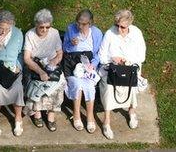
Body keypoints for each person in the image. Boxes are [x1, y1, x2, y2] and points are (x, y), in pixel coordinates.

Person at [98, 9, 146, 139]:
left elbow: (141, 55)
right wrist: (113, 59)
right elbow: (102, 55)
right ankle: (106, 122)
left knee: (131, 83)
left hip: (130, 68)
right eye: (117, 25)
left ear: (130, 24)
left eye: (123, 27)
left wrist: (128, 61)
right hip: (112, 69)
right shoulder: (109, 33)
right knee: (108, 86)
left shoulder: (136, 33)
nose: (119, 29)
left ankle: (131, 111)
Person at [23, 9, 65, 132]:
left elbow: (60, 53)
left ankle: (51, 114)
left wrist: (54, 62)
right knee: (37, 83)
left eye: (48, 27)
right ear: (36, 24)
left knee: (59, 82)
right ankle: (37, 112)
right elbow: (26, 58)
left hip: (51, 63)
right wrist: (40, 71)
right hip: (34, 64)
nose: (45, 30)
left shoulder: (55, 33)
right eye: (42, 27)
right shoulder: (30, 35)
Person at [63, 9, 103, 133]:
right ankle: (76, 115)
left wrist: (93, 65)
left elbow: (98, 53)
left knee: (90, 86)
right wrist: (71, 44)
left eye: (83, 24)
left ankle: (90, 116)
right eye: (78, 22)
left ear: (90, 23)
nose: (79, 26)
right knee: (77, 85)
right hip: (72, 63)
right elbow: (64, 48)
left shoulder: (96, 33)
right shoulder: (71, 29)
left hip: (88, 64)